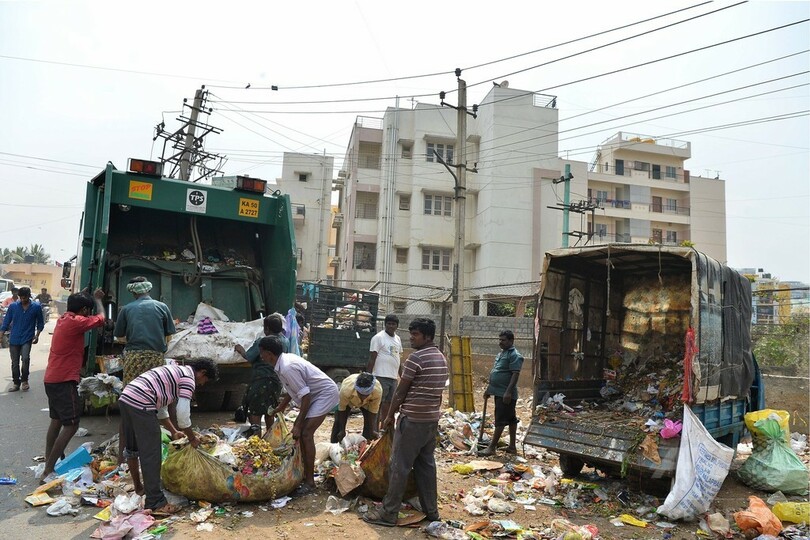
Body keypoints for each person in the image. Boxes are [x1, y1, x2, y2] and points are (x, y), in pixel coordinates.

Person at [363, 317, 448, 527]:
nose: (411, 338)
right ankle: (432, 512)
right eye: (411, 333)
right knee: (426, 465)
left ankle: (388, 513)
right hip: (430, 421)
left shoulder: (416, 358)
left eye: (416, 334)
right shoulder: (441, 358)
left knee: (399, 466)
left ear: (428, 336)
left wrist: (389, 415)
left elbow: (401, 391)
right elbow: (438, 395)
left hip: (412, 420)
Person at [118, 359, 218, 515]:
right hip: (142, 401)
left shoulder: (175, 371)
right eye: (205, 380)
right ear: (202, 372)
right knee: (151, 453)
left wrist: (173, 431)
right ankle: (156, 502)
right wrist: (192, 438)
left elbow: (162, 408)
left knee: (133, 448)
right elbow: (183, 415)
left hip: (127, 397)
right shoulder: (188, 379)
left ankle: (139, 488)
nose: (202, 384)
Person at [259, 336, 339, 495]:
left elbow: (306, 396)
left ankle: (309, 482)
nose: (260, 356)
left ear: (269, 353)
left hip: (324, 394)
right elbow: (293, 389)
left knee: (306, 433)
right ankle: (304, 474)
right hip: (313, 395)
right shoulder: (281, 364)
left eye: (262, 352)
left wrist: (297, 424)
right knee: (301, 434)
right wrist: (281, 407)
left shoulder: (287, 367)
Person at [42, 289, 106, 480]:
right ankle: (48, 469)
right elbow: (101, 318)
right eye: (88, 309)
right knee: (72, 424)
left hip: (52, 378)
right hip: (64, 380)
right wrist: (98, 300)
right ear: (85, 310)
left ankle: (48, 461)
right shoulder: (76, 322)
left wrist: (84, 295)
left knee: (57, 420)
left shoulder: (64, 319)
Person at [113, 276, 176, 385]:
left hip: (133, 358)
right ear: (148, 289)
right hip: (156, 358)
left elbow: (119, 335)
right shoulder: (162, 307)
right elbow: (169, 335)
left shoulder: (126, 309)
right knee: (154, 389)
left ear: (133, 291)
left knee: (133, 390)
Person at [233, 313, 288, 436]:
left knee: (255, 412)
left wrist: (240, 349)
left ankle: (256, 441)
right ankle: (270, 440)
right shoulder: (285, 340)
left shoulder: (263, 342)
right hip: (276, 381)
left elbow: (249, 357)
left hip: (261, 381)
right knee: (270, 411)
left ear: (267, 328)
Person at [479, 330, 524, 456]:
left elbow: (515, 374)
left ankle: (492, 447)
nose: (500, 342)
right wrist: (489, 389)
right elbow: (496, 372)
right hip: (498, 392)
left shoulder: (514, 355)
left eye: (503, 340)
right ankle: (512, 447)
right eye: (499, 340)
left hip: (505, 394)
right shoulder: (501, 354)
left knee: (500, 420)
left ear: (511, 341)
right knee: (511, 419)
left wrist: (508, 392)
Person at [1, 286, 44, 392]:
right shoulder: (13, 307)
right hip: (14, 338)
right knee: (14, 362)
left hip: (27, 338)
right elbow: (6, 321)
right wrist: (1, 334)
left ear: (29, 296)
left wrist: (37, 335)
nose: (23, 300)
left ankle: (25, 380)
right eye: (21, 298)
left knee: (25, 358)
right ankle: (16, 383)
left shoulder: (36, 307)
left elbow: (40, 323)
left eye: (25, 298)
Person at [367, 314, 402, 429]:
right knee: (377, 404)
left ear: (397, 326)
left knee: (389, 404)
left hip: (393, 378)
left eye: (393, 324)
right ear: (385, 324)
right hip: (380, 376)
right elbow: (372, 358)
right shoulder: (378, 337)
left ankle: (385, 429)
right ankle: (373, 429)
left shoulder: (397, 339)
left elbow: (398, 358)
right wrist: (368, 376)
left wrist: (401, 375)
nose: (391, 326)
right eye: (389, 323)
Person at [330, 372, 383, 443]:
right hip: (349, 401)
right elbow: (341, 408)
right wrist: (342, 430)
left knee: (370, 430)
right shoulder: (346, 389)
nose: (363, 397)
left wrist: (372, 430)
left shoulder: (377, 391)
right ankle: (334, 446)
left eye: (366, 395)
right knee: (338, 425)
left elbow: (373, 411)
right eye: (360, 394)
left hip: (367, 404)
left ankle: (365, 447)